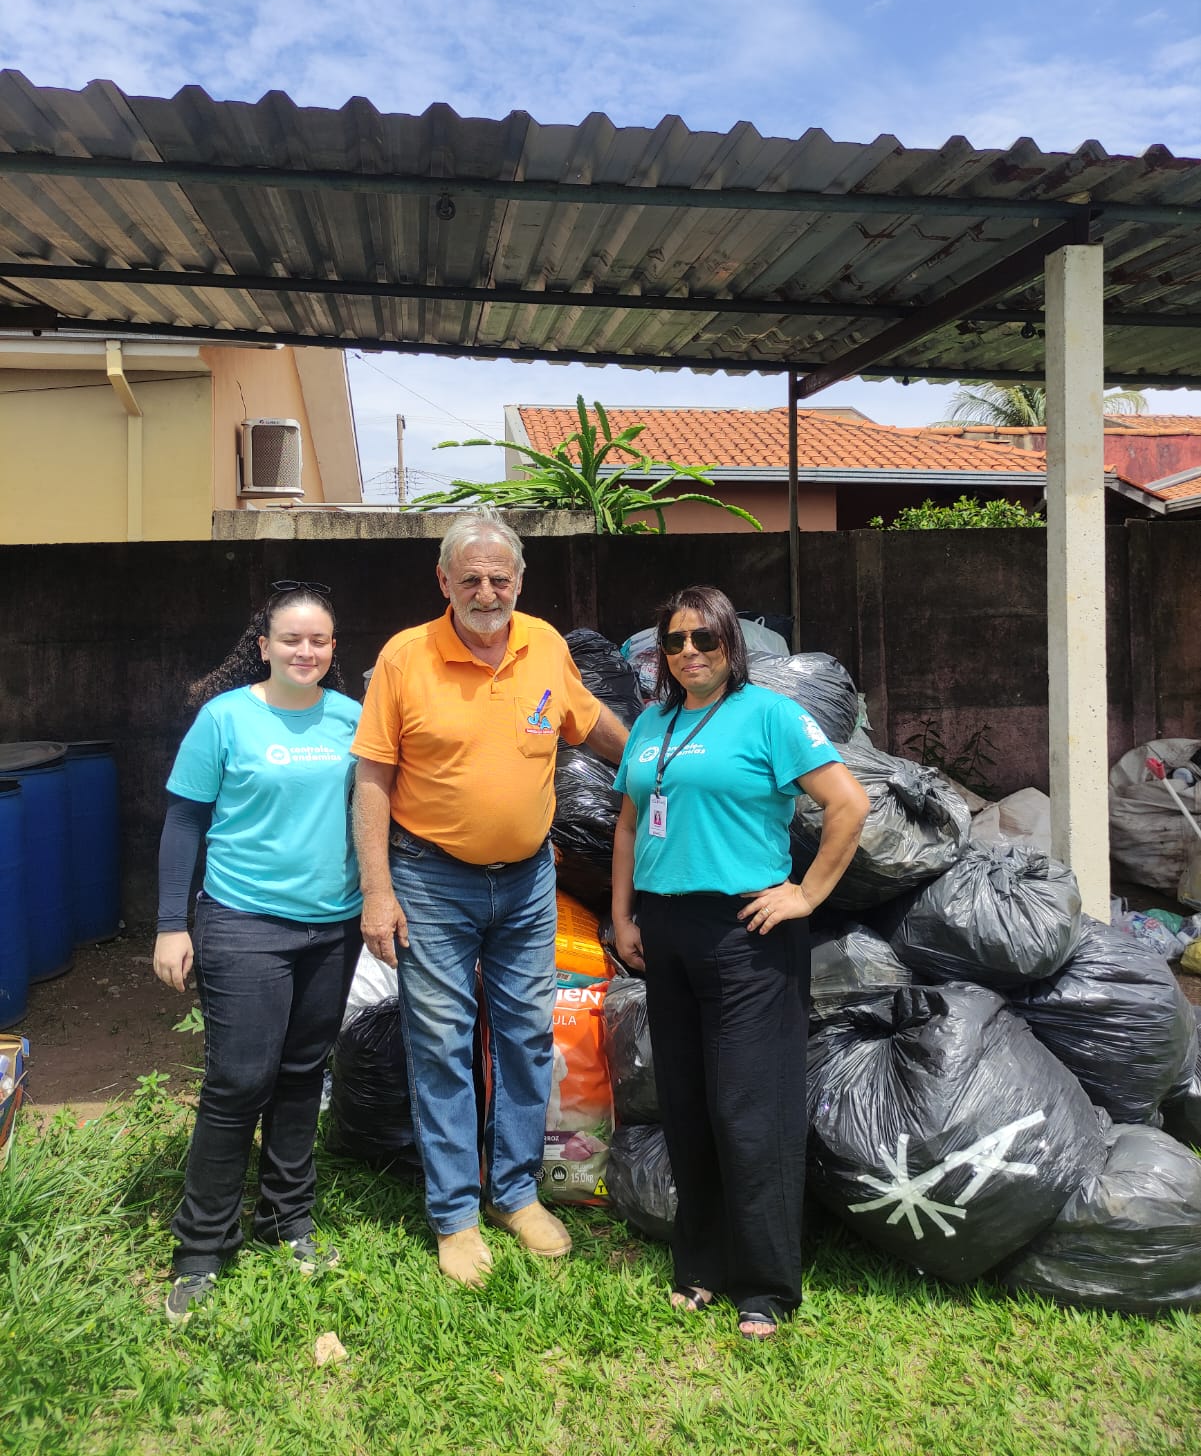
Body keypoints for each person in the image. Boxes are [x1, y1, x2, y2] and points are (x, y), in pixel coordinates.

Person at [352, 510, 629, 1287]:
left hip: (527, 879)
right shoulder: (406, 657)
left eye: (498, 578)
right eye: (469, 578)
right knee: (441, 1043)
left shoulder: (543, 643)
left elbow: (588, 724)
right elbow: (371, 778)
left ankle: (513, 1193)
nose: (485, 591)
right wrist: (377, 891)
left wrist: (656, 759)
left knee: (526, 1037)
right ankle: (454, 1214)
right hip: (430, 880)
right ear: (443, 581)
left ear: (519, 581)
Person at [610, 585, 869, 1341]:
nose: (689, 652)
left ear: (732, 644)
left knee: (750, 1110)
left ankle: (765, 1285)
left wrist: (805, 894)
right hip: (665, 928)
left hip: (746, 932)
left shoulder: (770, 716)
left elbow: (848, 803)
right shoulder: (651, 723)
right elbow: (628, 823)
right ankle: (699, 1266)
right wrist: (623, 916)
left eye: (705, 639)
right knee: (687, 1104)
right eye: (675, 641)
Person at [153, 581, 363, 1326]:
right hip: (243, 921)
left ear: (333, 648)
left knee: (304, 1074)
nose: (306, 651)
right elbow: (184, 820)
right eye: (291, 639)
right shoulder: (225, 717)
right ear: (264, 644)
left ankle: (286, 1219)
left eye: (319, 640)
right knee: (239, 1080)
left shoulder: (352, 719)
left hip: (332, 925)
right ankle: (201, 1248)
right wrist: (170, 924)